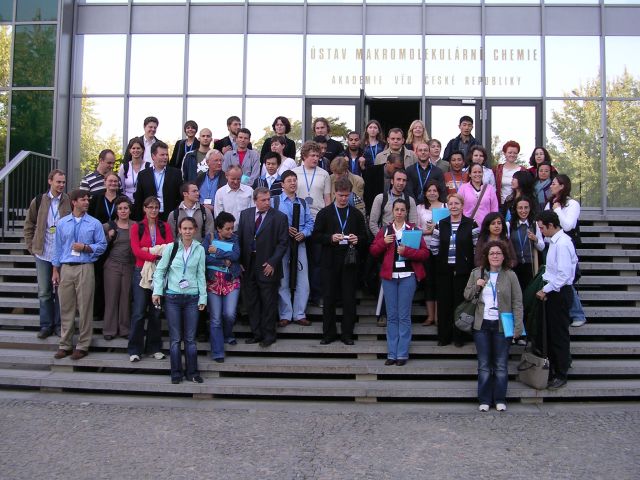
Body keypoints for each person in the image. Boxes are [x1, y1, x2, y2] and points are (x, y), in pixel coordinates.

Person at [464, 240, 523, 412]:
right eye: (492, 253)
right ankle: (484, 399)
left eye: (498, 253)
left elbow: (517, 302)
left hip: (502, 325)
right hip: (481, 324)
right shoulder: (477, 273)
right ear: (486, 256)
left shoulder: (510, 275)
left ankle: (499, 398)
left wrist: (518, 327)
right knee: (483, 364)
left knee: (501, 364)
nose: (495, 256)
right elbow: (466, 295)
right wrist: (477, 285)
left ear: (504, 256)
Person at [370, 198, 429, 366]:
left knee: (404, 316)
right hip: (389, 277)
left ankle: (402, 354)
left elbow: (425, 253)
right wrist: (383, 242)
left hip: (408, 277)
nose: (399, 213)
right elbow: (373, 251)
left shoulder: (414, 230)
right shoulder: (386, 230)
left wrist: (407, 251)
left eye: (402, 210)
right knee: (392, 316)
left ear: (406, 212)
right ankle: (391, 353)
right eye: (397, 209)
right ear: (392, 211)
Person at [51, 190, 107, 360]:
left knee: (85, 307)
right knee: (66, 307)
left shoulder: (94, 223)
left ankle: (83, 345)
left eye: (87, 200)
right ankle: (65, 344)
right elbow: (57, 247)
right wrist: (55, 269)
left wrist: (86, 247)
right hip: (66, 267)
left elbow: (102, 245)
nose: (86, 202)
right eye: (83, 200)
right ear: (74, 202)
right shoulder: (62, 223)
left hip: (85, 266)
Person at [312, 177, 368, 345]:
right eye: (340, 195)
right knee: (328, 297)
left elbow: (365, 238)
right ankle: (328, 333)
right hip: (329, 260)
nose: (343, 198)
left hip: (349, 261)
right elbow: (316, 236)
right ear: (335, 193)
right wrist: (330, 238)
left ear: (350, 194)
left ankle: (347, 334)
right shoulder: (325, 213)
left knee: (349, 298)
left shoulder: (356, 214)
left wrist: (357, 239)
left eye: (346, 195)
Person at [152, 217, 207, 384]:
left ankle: (192, 372)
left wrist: (202, 297)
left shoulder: (199, 249)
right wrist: (157, 292)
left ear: (195, 230)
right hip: (173, 297)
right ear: (179, 230)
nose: (188, 231)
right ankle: (176, 372)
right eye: (184, 228)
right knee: (175, 338)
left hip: (192, 297)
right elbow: (160, 271)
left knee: (190, 338)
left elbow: (200, 274)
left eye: (190, 228)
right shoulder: (171, 248)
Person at [237, 187, 289, 347]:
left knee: (268, 301)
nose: (267, 203)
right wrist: (238, 261)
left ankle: (269, 334)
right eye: (263, 200)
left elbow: (283, 243)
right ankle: (256, 333)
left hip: (267, 265)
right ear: (255, 201)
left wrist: (273, 262)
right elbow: (239, 239)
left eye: (269, 200)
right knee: (252, 301)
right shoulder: (245, 215)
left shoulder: (279, 217)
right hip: (248, 264)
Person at [24, 169, 71, 339]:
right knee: (44, 291)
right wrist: (31, 247)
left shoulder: (68, 201)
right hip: (43, 253)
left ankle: (59, 325)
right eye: (58, 182)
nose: (61, 185)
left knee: (61, 291)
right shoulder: (38, 200)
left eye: (63, 182)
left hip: (62, 253)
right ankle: (46, 325)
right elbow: (29, 224)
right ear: (50, 181)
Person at [128, 196, 174, 362]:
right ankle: (135, 349)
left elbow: (169, 248)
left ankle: (154, 347)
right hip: (141, 271)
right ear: (144, 209)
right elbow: (135, 250)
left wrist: (149, 250)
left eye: (156, 207)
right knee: (139, 311)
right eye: (150, 207)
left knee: (156, 312)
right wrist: (154, 254)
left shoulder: (165, 227)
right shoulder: (136, 227)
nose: (154, 210)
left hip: (159, 272)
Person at [536, 210, 578, 390]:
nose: (541, 232)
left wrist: (545, 289)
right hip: (556, 290)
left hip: (558, 293)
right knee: (553, 333)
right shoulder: (556, 242)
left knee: (558, 335)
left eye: (542, 228)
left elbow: (563, 275)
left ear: (552, 226)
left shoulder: (562, 244)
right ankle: (557, 368)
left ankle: (561, 372)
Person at [431, 193, 479, 347]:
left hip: (463, 271)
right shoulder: (441, 224)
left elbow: (476, 248)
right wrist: (442, 260)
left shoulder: (471, 224)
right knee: (444, 304)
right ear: (447, 206)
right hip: (444, 271)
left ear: (462, 206)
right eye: (450, 204)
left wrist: (467, 262)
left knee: (461, 304)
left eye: (456, 204)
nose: (453, 207)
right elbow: (434, 246)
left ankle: (459, 338)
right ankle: (444, 337)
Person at [544, 174, 586, 328]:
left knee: (566, 280)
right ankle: (566, 313)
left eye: (554, 183)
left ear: (562, 186)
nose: (551, 186)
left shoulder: (571, 204)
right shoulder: (550, 203)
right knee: (555, 279)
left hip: (566, 245)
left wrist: (558, 210)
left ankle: (577, 313)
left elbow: (568, 226)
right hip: (551, 244)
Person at [293, 141, 331, 306]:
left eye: (318, 155)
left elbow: (327, 199)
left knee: (317, 260)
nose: (316, 158)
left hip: (318, 220)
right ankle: (298, 295)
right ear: (304, 156)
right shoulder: (294, 172)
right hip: (298, 221)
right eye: (312, 155)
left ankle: (316, 295)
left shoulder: (324, 174)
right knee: (298, 261)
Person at [275, 170, 314, 327]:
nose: (293, 183)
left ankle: (299, 313)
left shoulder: (303, 202)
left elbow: (310, 223)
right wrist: (285, 229)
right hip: (282, 245)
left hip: (300, 244)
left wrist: (303, 233)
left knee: (303, 281)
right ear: (282, 184)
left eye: (294, 180)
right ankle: (285, 314)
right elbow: (271, 222)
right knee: (282, 280)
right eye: (289, 180)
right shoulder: (275, 201)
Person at [202, 211, 241, 363]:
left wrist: (217, 252)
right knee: (215, 318)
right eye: (227, 229)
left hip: (231, 280)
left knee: (229, 314)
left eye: (232, 228)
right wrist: (222, 260)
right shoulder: (209, 238)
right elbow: (203, 257)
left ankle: (228, 334)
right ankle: (218, 352)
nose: (231, 231)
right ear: (219, 229)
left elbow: (236, 256)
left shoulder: (235, 238)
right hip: (213, 282)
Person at [88, 171, 121, 320]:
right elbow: (90, 218)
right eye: (110, 181)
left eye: (115, 181)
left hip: (117, 241)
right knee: (98, 277)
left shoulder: (122, 199)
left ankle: (113, 312)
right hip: (99, 241)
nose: (113, 184)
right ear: (105, 182)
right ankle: (97, 311)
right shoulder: (96, 198)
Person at [101, 196, 135, 340]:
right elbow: (100, 246)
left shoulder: (135, 226)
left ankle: (125, 329)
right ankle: (109, 330)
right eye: (120, 208)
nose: (123, 211)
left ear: (130, 210)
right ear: (116, 210)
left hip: (129, 265)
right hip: (112, 265)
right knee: (111, 297)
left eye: (125, 208)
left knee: (126, 297)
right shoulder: (108, 226)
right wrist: (109, 237)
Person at [416, 180, 445, 326]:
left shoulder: (445, 207)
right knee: (428, 282)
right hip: (425, 248)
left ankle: (440, 315)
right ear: (425, 192)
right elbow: (415, 228)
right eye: (429, 190)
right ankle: (430, 316)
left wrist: (438, 227)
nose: (432, 193)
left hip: (441, 249)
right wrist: (428, 231)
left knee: (440, 282)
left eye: (435, 190)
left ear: (439, 192)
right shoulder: (420, 208)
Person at [133, 141, 183, 221]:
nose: (165, 157)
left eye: (166, 155)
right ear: (153, 156)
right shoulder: (143, 175)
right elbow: (139, 199)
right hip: (150, 217)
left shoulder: (176, 173)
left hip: (170, 216)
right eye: (162, 155)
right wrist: (139, 221)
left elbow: (180, 197)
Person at [509, 197, 545, 292]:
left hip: (531, 266)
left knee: (529, 293)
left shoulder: (534, 224)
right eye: (520, 208)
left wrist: (535, 239)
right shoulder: (510, 225)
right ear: (516, 209)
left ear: (530, 208)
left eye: (526, 207)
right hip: (514, 266)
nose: (523, 211)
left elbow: (542, 247)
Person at [369, 169, 418, 238]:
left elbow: (413, 224)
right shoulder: (380, 198)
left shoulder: (410, 200)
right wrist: (382, 238)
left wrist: (406, 241)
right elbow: (373, 223)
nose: (401, 183)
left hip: (404, 240)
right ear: (392, 181)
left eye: (404, 180)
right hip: (385, 238)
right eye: (398, 179)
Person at [214, 165, 254, 231]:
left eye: (238, 179)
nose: (236, 182)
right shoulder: (220, 193)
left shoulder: (249, 191)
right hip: (228, 232)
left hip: (247, 229)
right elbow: (218, 215)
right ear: (226, 176)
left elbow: (253, 211)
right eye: (233, 179)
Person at [494, 140, 526, 206]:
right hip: (501, 205)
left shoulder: (522, 170)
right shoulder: (497, 169)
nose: (512, 155)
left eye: (515, 153)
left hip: (517, 205)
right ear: (505, 153)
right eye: (510, 152)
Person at [119, 138, 150, 204]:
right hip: (128, 204)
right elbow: (121, 187)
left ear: (143, 150)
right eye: (133, 148)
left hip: (144, 203)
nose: (136, 150)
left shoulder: (149, 166)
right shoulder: (124, 167)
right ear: (130, 150)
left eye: (138, 148)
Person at [195, 149, 226, 214]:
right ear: (207, 162)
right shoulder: (200, 178)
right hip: (200, 213)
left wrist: (214, 208)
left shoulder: (226, 178)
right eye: (216, 160)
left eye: (220, 160)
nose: (219, 163)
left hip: (218, 214)